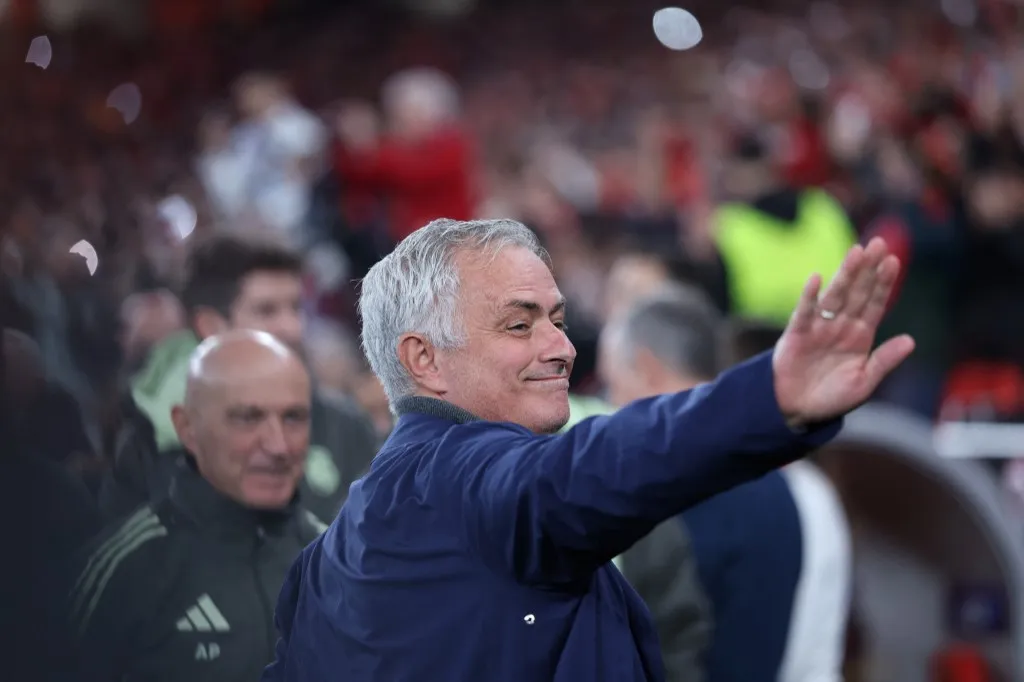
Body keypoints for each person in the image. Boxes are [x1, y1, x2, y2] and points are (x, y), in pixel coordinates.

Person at [264, 218, 913, 682]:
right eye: (520, 325)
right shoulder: (476, 483)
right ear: (424, 359)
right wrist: (767, 397)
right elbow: (594, 465)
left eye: (558, 320)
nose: (563, 348)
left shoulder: (323, 564)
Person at [599, 286, 852, 682]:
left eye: (612, 383)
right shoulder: (786, 487)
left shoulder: (656, 484)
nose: (607, 404)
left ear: (646, 367)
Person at [70, 331, 326, 682]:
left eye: (293, 417)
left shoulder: (334, 561)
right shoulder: (125, 569)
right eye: (248, 418)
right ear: (187, 428)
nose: (278, 446)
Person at [101, 234, 377, 522]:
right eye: (266, 310)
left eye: (295, 308)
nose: (292, 328)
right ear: (211, 326)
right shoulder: (149, 444)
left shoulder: (345, 426)